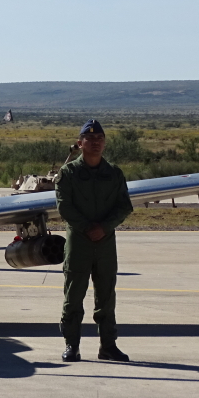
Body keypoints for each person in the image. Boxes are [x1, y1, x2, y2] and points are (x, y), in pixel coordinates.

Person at [55, 119, 133, 363]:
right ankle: (72, 345)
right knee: (74, 295)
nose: (96, 143)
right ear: (80, 143)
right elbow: (64, 207)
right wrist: (88, 228)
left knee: (107, 297)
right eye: (90, 139)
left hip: (106, 243)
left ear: (105, 144)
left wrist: (105, 227)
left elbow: (124, 206)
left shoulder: (114, 173)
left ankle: (108, 346)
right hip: (79, 242)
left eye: (100, 139)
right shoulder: (68, 173)